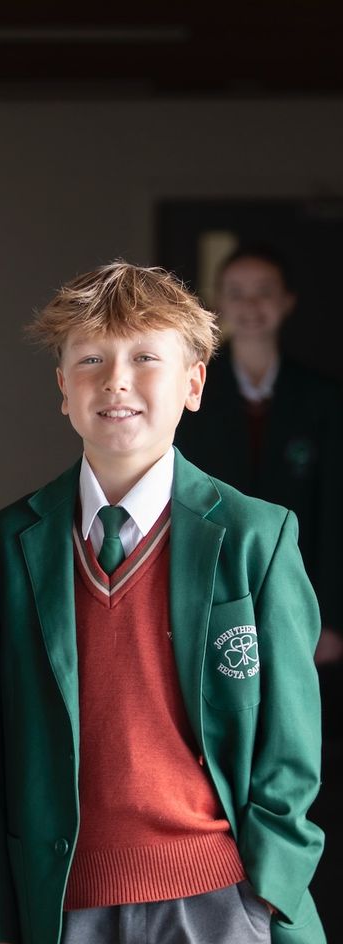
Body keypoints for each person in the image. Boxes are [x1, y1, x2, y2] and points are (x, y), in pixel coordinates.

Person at [0, 262, 325, 944]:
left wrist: (271, 885)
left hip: (218, 899)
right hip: (62, 903)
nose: (116, 380)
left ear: (193, 384)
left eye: (145, 358)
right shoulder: (1, 547)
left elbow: (292, 743)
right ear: (63, 388)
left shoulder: (257, 536)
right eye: (90, 358)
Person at [175, 245, 343, 666]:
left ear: (287, 301)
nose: (250, 305)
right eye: (236, 293)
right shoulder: (189, 394)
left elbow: (336, 512)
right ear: (218, 304)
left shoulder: (324, 398)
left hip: (301, 588)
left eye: (264, 291)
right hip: (210, 586)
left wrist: (333, 619)